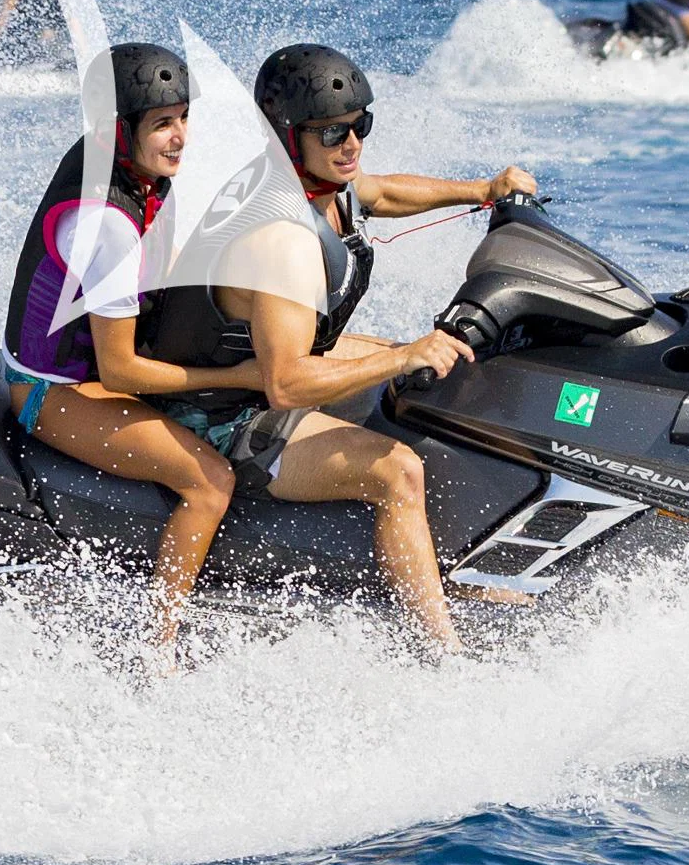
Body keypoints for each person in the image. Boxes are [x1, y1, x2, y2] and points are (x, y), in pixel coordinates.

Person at [137, 44, 539, 653]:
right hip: (223, 417)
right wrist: (401, 357)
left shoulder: (318, 183)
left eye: (360, 125)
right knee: (397, 469)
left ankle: (435, 565)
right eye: (332, 132)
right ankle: (442, 648)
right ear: (287, 134)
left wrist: (483, 189)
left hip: (263, 370)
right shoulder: (280, 238)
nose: (351, 144)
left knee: (433, 374)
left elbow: (380, 193)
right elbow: (287, 386)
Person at [0, 42, 257, 649]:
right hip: (54, 391)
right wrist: (241, 377)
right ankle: (159, 641)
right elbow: (119, 371)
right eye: (163, 124)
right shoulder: (107, 222)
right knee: (210, 480)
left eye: (184, 118)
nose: (180, 137)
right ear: (121, 130)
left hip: (91, 366)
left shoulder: (123, 166)